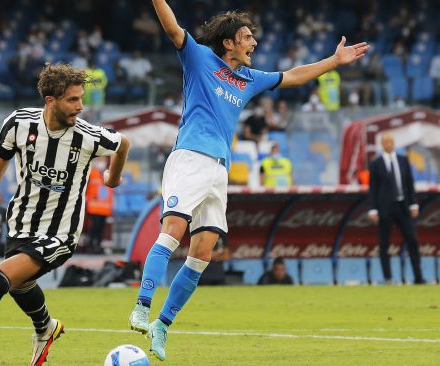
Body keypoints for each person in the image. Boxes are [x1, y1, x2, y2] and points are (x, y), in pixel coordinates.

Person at [129, 1, 369, 361]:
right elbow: (173, 29)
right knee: (173, 230)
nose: (253, 42)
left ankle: (162, 324)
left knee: (203, 254)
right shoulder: (198, 59)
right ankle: (142, 307)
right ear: (228, 43)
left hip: (219, 170)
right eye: (246, 36)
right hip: (190, 158)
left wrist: (334, 62)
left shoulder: (248, 79)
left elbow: (294, 75)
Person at [0, 63, 130, 366]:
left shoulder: (88, 137)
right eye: (72, 100)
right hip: (20, 225)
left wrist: (113, 178)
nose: (79, 107)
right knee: (20, 284)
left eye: (81, 98)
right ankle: (46, 328)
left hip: (59, 234)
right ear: (50, 101)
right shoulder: (19, 124)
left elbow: (123, 144)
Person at [367, 134, 425, 285]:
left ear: (394, 143)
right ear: (382, 144)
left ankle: (418, 277)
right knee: (384, 243)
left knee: (412, 240)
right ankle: (388, 278)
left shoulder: (403, 160)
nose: (388, 144)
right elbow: (372, 188)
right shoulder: (376, 164)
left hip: (402, 206)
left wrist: (413, 204)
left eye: (391, 141)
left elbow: (409, 184)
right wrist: (372, 209)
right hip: (385, 207)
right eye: (386, 142)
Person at [84, 159, 114, 253]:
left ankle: (97, 246)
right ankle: (91, 245)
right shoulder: (92, 173)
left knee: (100, 228)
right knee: (93, 227)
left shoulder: (110, 173)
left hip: (105, 208)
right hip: (93, 207)